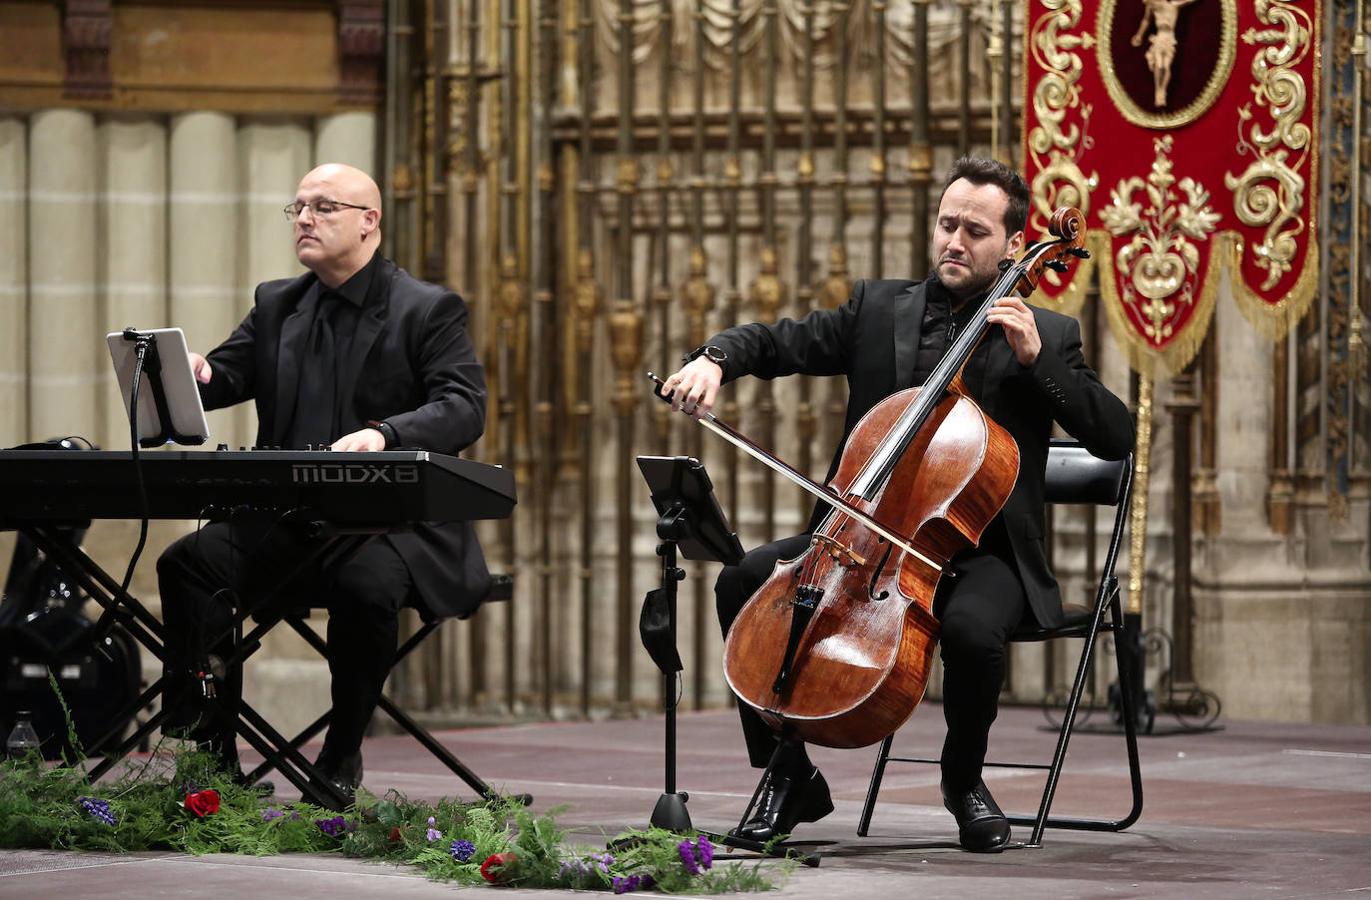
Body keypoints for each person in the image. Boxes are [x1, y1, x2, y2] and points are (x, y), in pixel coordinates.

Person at [660, 156, 1133, 852]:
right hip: (859, 540)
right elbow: (779, 340)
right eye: (946, 224)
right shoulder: (877, 308)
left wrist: (1041, 364)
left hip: (982, 551)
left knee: (973, 633)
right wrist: (715, 358)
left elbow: (1114, 435)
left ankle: (961, 779)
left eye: (974, 230)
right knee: (740, 579)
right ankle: (788, 775)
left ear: (1012, 244)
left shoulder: (1047, 335)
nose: (953, 241)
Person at [157, 163, 490, 807]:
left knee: (365, 586)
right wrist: (196, 372)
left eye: (324, 207)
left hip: (390, 524)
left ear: (370, 223)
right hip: (289, 522)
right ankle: (212, 754)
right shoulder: (277, 302)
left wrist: (388, 435)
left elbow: (464, 405)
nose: (305, 219)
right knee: (190, 566)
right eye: (299, 208)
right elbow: (226, 374)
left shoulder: (426, 308)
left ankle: (340, 753)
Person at [1130, 0, 1198, 108]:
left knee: (1166, 66)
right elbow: (1146, 20)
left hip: (1170, 38)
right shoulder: (1153, 5)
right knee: (1159, 64)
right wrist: (1139, 35)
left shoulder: (1175, 4)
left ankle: (1162, 91)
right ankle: (1158, 90)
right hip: (1159, 37)